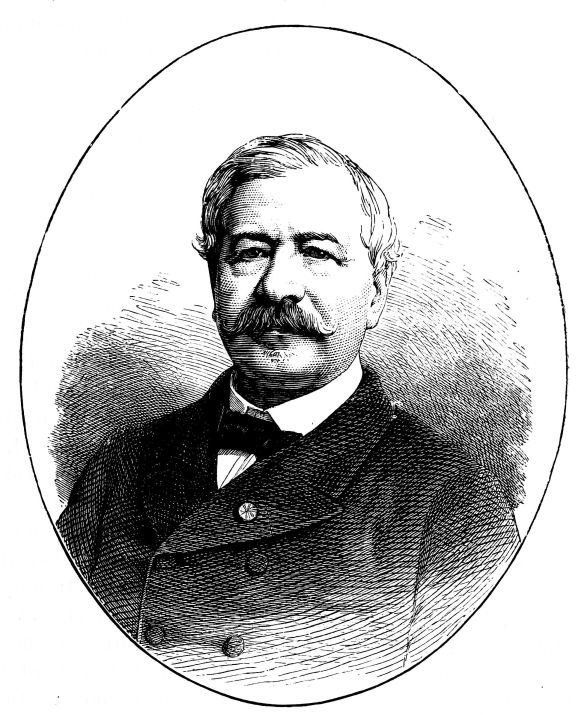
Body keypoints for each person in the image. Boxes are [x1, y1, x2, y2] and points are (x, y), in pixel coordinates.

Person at [57, 134, 519, 701]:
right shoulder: (117, 471)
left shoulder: (457, 504)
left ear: (376, 291)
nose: (277, 286)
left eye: (318, 253)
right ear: (214, 282)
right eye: (249, 252)